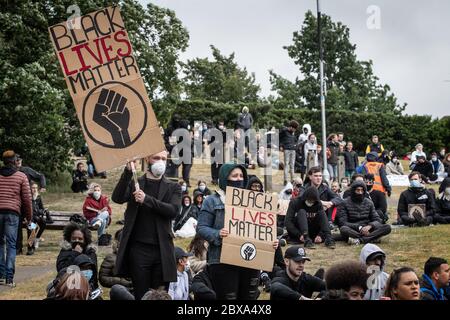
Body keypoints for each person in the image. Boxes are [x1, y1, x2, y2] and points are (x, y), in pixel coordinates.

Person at [196, 163, 279, 300]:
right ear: (224, 178)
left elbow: (261, 228)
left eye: (241, 176)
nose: (239, 179)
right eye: (234, 176)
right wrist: (218, 234)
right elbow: (201, 228)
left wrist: (270, 242)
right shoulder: (211, 201)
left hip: (251, 259)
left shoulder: (255, 201)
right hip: (222, 260)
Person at [111, 150, 181, 300]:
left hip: (162, 251)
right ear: (148, 159)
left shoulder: (173, 187)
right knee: (141, 294)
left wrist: (147, 200)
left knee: (161, 295)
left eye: (163, 158)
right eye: (156, 157)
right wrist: (128, 172)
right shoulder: (136, 183)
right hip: (139, 250)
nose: (160, 161)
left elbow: (173, 210)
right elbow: (117, 197)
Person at [0, 150, 32, 287]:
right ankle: (9, 278)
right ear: (14, 161)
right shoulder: (21, 176)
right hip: (13, 213)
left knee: (0, 244)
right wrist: (29, 217)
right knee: (11, 245)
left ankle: (0, 275)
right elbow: (27, 199)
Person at [336, 181, 391, 245]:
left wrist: (370, 226)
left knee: (387, 227)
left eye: (362, 190)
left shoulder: (369, 202)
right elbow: (343, 222)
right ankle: (372, 238)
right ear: (353, 191)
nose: (360, 192)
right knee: (343, 229)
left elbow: (377, 219)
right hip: (353, 230)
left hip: (368, 229)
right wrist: (360, 228)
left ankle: (360, 240)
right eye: (358, 190)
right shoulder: (344, 203)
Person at [56, 222, 99, 290]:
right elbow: (61, 269)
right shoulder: (65, 250)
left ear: (85, 240)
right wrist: (75, 253)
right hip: (68, 286)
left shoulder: (90, 252)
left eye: (80, 239)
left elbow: (93, 273)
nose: (77, 241)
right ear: (69, 239)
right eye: (74, 239)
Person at [26, 182, 48, 255]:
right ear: (30, 189)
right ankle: (30, 248)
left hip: (37, 217)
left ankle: (37, 238)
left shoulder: (38, 197)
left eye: (36, 188)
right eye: (33, 188)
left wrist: (39, 211)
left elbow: (42, 208)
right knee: (32, 228)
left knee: (44, 223)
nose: (34, 189)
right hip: (30, 218)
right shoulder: (28, 197)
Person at [280, 120, 299, 185]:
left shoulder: (292, 134)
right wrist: (281, 146)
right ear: (291, 127)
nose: (295, 130)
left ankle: (292, 179)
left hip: (293, 150)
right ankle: (285, 180)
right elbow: (280, 138)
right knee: (286, 165)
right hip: (287, 149)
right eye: (294, 129)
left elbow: (295, 141)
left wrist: (295, 146)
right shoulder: (284, 131)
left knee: (292, 165)